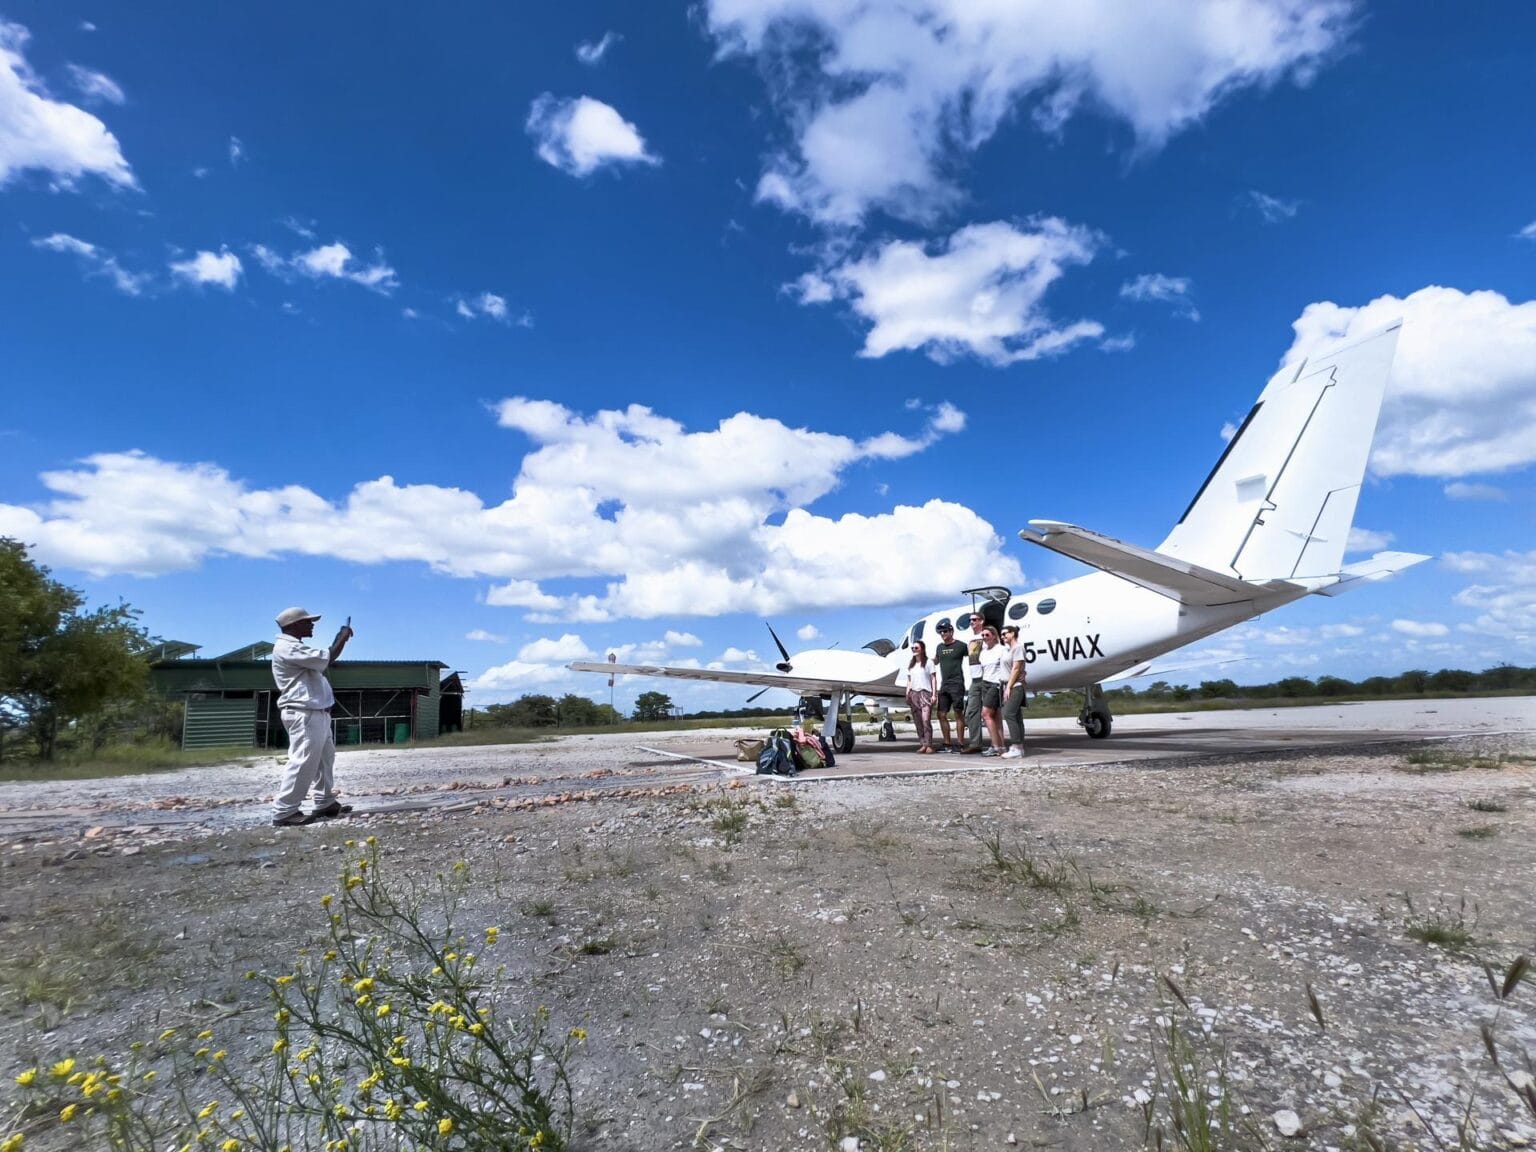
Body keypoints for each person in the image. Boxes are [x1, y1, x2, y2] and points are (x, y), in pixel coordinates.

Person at [271, 607, 354, 827]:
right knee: (303, 761)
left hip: (315, 713)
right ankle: (284, 811)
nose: (312, 624)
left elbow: (324, 660)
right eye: (307, 622)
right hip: (303, 713)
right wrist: (342, 637)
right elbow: (328, 656)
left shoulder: (296, 647)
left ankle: (324, 801)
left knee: (324, 759)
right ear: (293, 625)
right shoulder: (286, 648)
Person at [931, 619, 968, 753]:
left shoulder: (961, 646)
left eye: (945, 631)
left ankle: (960, 743)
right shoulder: (939, 647)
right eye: (941, 632)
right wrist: (923, 662)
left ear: (951, 631)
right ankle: (947, 743)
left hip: (957, 683)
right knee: (941, 714)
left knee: (958, 712)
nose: (943, 634)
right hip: (944, 685)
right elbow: (935, 660)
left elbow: (975, 655)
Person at [975, 626, 1012, 756]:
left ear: (994, 636)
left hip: (996, 684)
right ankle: (1001, 747)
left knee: (985, 714)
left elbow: (1010, 664)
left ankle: (995, 746)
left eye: (987, 635)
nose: (985, 638)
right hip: (985, 683)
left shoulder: (1002, 649)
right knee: (996, 717)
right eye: (983, 636)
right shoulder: (983, 652)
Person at [960, 610, 988, 753]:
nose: (972, 622)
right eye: (970, 620)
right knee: (971, 712)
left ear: (982, 621)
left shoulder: (987, 636)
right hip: (975, 679)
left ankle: (998, 744)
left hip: (987, 678)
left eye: (975, 620)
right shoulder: (970, 640)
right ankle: (975, 743)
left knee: (991, 713)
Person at [904, 639, 936, 753]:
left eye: (916, 648)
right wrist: (907, 693)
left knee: (926, 720)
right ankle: (923, 743)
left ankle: (929, 744)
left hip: (925, 693)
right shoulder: (911, 665)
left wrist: (934, 694)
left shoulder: (928, 663)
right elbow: (909, 680)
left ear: (922, 649)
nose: (914, 650)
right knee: (917, 721)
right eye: (912, 648)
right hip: (913, 693)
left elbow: (933, 678)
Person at [1000, 624, 1027, 759]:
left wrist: (1008, 687)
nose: (1003, 636)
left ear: (1013, 633)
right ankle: (1019, 748)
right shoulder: (1008, 650)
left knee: (1009, 713)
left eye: (1005, 634)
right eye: (1002, 634)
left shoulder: (1018, 648)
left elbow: (1016, 668)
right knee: (1016, 716)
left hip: (1015, 686)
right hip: (1011, 684)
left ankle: (1016, 746)